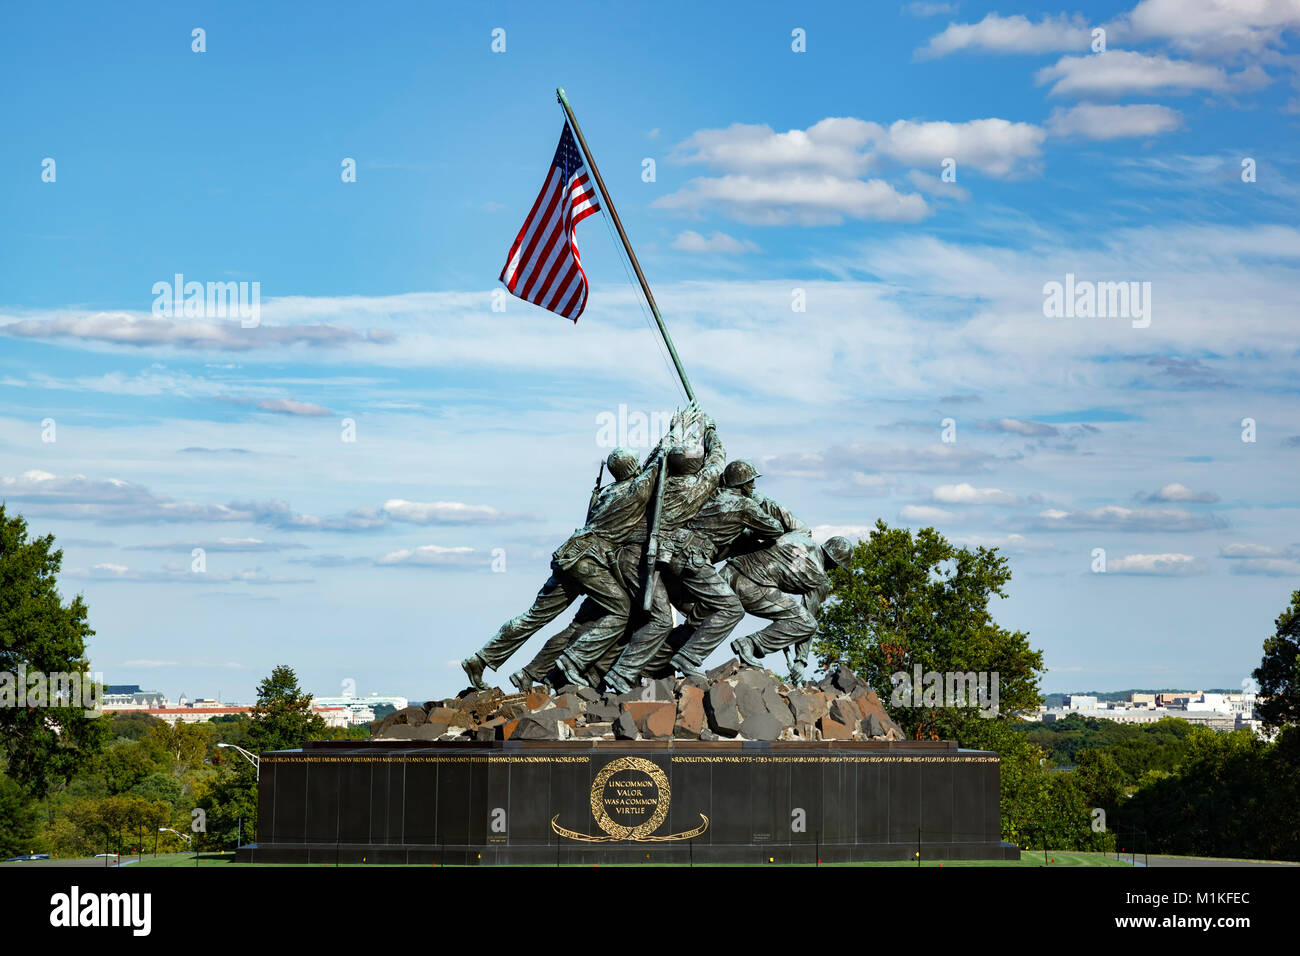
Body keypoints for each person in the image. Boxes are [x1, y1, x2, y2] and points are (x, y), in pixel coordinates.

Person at [460, 432, 672, 692]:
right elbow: (656, 466)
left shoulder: (609, 492)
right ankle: (573, 662)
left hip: (570, 554)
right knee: (621, 610)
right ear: (632, 468)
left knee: (533, 617)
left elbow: (648, 466)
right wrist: (670, 436)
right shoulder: (634, 492)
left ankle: (482, 658)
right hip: (589, 561)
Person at [726, 534, 854, 677]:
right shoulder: (820, 579)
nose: (835, 570)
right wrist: (801, 660)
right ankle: (751, 644)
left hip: (730, 571)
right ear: (833, 562)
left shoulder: (800, 537)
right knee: (808, 623)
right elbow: (808, 617)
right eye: (837, 566)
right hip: (750, 587)